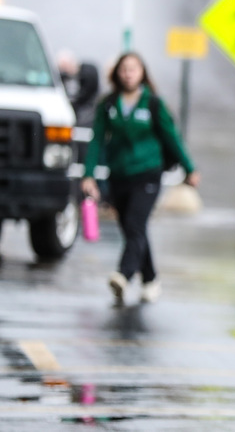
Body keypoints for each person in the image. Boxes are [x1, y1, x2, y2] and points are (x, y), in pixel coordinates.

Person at [81, 52, 200, 304]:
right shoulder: (109, 104)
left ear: (142, 72)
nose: (128, 74)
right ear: (117, 73)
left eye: (133, 69)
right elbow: (96, 140)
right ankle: (150, 278)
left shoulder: (153, 104)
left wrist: (190, 168)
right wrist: (88, 174)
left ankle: (123, 275)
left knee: (135, 224)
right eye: (124, 69)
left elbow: (172, 138)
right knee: (132, 229)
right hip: (119, 174)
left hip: (148, 172)